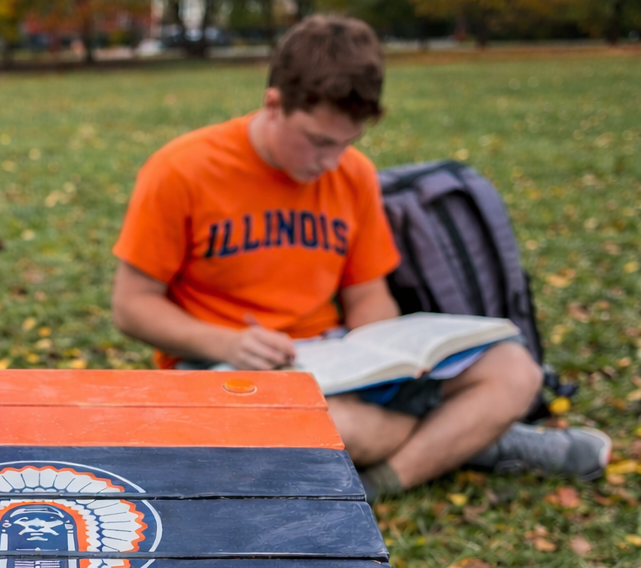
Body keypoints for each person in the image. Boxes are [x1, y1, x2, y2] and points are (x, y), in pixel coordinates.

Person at [110, 14, 610, 499]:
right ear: (274, 103)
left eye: (348, 143)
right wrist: (230, 342)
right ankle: (473, 440)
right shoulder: (181, 170)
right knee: (327, 426)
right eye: (318, 142)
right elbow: (132, 306)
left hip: (336, 363)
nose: (331, 161)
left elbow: (367, 295)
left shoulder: (353, 173)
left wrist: (389, 357)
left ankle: (382, 481)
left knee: (515, 372)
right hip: (224, 372)